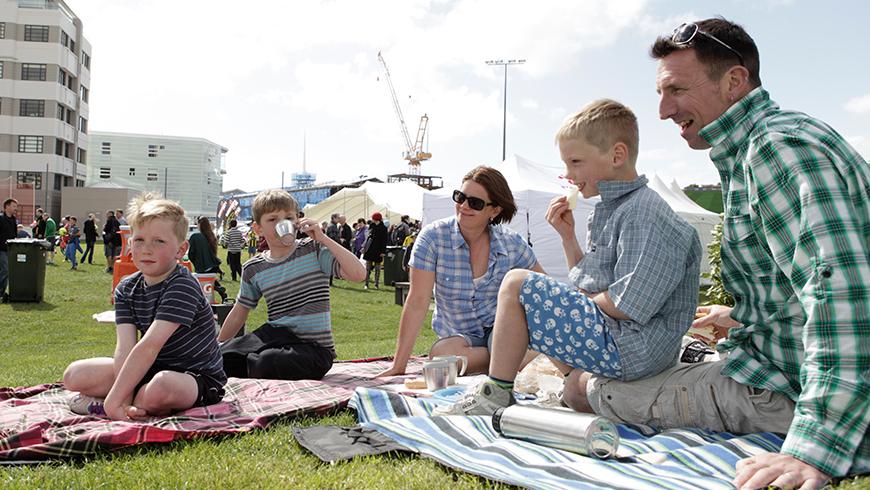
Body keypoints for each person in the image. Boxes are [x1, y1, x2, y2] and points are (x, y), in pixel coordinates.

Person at [568, 18, 869, 490]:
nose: (664, 111)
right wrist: (744, 314)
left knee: (584, 388)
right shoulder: (765, 144)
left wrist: (816, 449)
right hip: (774, 364)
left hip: (789, 390)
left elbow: (844, 295)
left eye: (676, 90)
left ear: (734, 81)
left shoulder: (776, 148)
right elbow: (819, 275)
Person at [436, 100, 702, 416]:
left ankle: (497, 392)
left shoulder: (642, 211)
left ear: (617, 155)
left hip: (635, 348)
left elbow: (626, 305)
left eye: (576, 162)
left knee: (517, 283)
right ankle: (561, 380)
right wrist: (567, 237)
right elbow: (591, 282)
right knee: (567, 369)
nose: (568, 174)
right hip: (622, 340)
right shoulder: (613, 209)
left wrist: (581, 297)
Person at [63, 193, 226, 420]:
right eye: (139, 240)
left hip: (194, 377)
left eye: (158, 241)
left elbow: (149, 345)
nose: (146, 249)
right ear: (130, 243)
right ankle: (128, 404)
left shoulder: (183, 285)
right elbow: (125, 348)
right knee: (74, 375)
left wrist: (115, 400)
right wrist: (122, 398)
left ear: (181, 249)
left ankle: (109, 404)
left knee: (160, 388)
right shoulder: (126, 287)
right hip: (150, 368)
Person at [378, 166, 546, 377]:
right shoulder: (432, 237)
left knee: (450, 361)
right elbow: (417, 301)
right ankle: (512, 359)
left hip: (501, 329)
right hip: (458, 338)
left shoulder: (512, 243)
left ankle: (508, 357)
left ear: (494, 211)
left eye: (475, 203)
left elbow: (545, 288)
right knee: (441, 357)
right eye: (460, 197)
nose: (464, 206)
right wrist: (398, 366)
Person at [216, 189, 366, 380]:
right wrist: (220, 343)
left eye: (288, 217)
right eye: (272, 219)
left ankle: (249, 365)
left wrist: (323, 238)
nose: (282, 223)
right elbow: (239, 312)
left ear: (297, 221)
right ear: (258, 228)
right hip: (275, 336)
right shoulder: (254, 268)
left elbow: (359, 274)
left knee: (267, 362)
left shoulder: (313, 250)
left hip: (314, 349)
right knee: (221, 355)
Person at [187, 217, 228, 303]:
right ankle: (220, 291)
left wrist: (195, 261)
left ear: (200, 225)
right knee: (209, 279)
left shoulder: (195, 236)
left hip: (202, 266)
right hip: (213, 266)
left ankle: (216, 290)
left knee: (201, 282)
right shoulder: (211, 236)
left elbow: (191, 253)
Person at [362, 212, 388, 289]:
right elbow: (367, 238)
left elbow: (384, 240)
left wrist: (383, 251)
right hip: (370, 249)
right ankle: (366, 283)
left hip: (378, 250)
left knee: (377, 268)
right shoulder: (371, 226)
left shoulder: (383, 228)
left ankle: (376, 284)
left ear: (376, 219)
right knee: (368, 268)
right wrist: (364, 247)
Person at [0, 198, 19, 302]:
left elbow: (14, 234)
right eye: (13, 206)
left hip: (10, 249)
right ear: (7, 206)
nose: (15, 208)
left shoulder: (13, 219)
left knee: (5, 271)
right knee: (5, 270)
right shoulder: (1, 218)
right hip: (1, 249)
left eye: (16, 206)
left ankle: (2, 293)